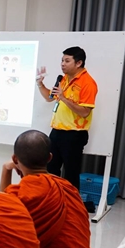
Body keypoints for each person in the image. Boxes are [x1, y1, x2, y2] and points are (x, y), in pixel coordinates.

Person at [0, 130, 92, 248]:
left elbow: (1, 214)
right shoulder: (67, 186)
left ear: (15, 159)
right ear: (50, 158)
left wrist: (6, 169)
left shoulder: (26, 192)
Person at [36, 46, 98, 192]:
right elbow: (50, 98)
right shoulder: (63, 79)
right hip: (57, 131)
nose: (62, 64)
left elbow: (85, 112)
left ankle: (71, 203)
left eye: (67, 61)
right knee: (50, 169)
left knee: (71, 173)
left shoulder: (88, 83)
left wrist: (63, 98)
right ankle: (53, 199)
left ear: (78, 63)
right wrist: (40, 84)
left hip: (74, 134)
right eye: (62, 60)